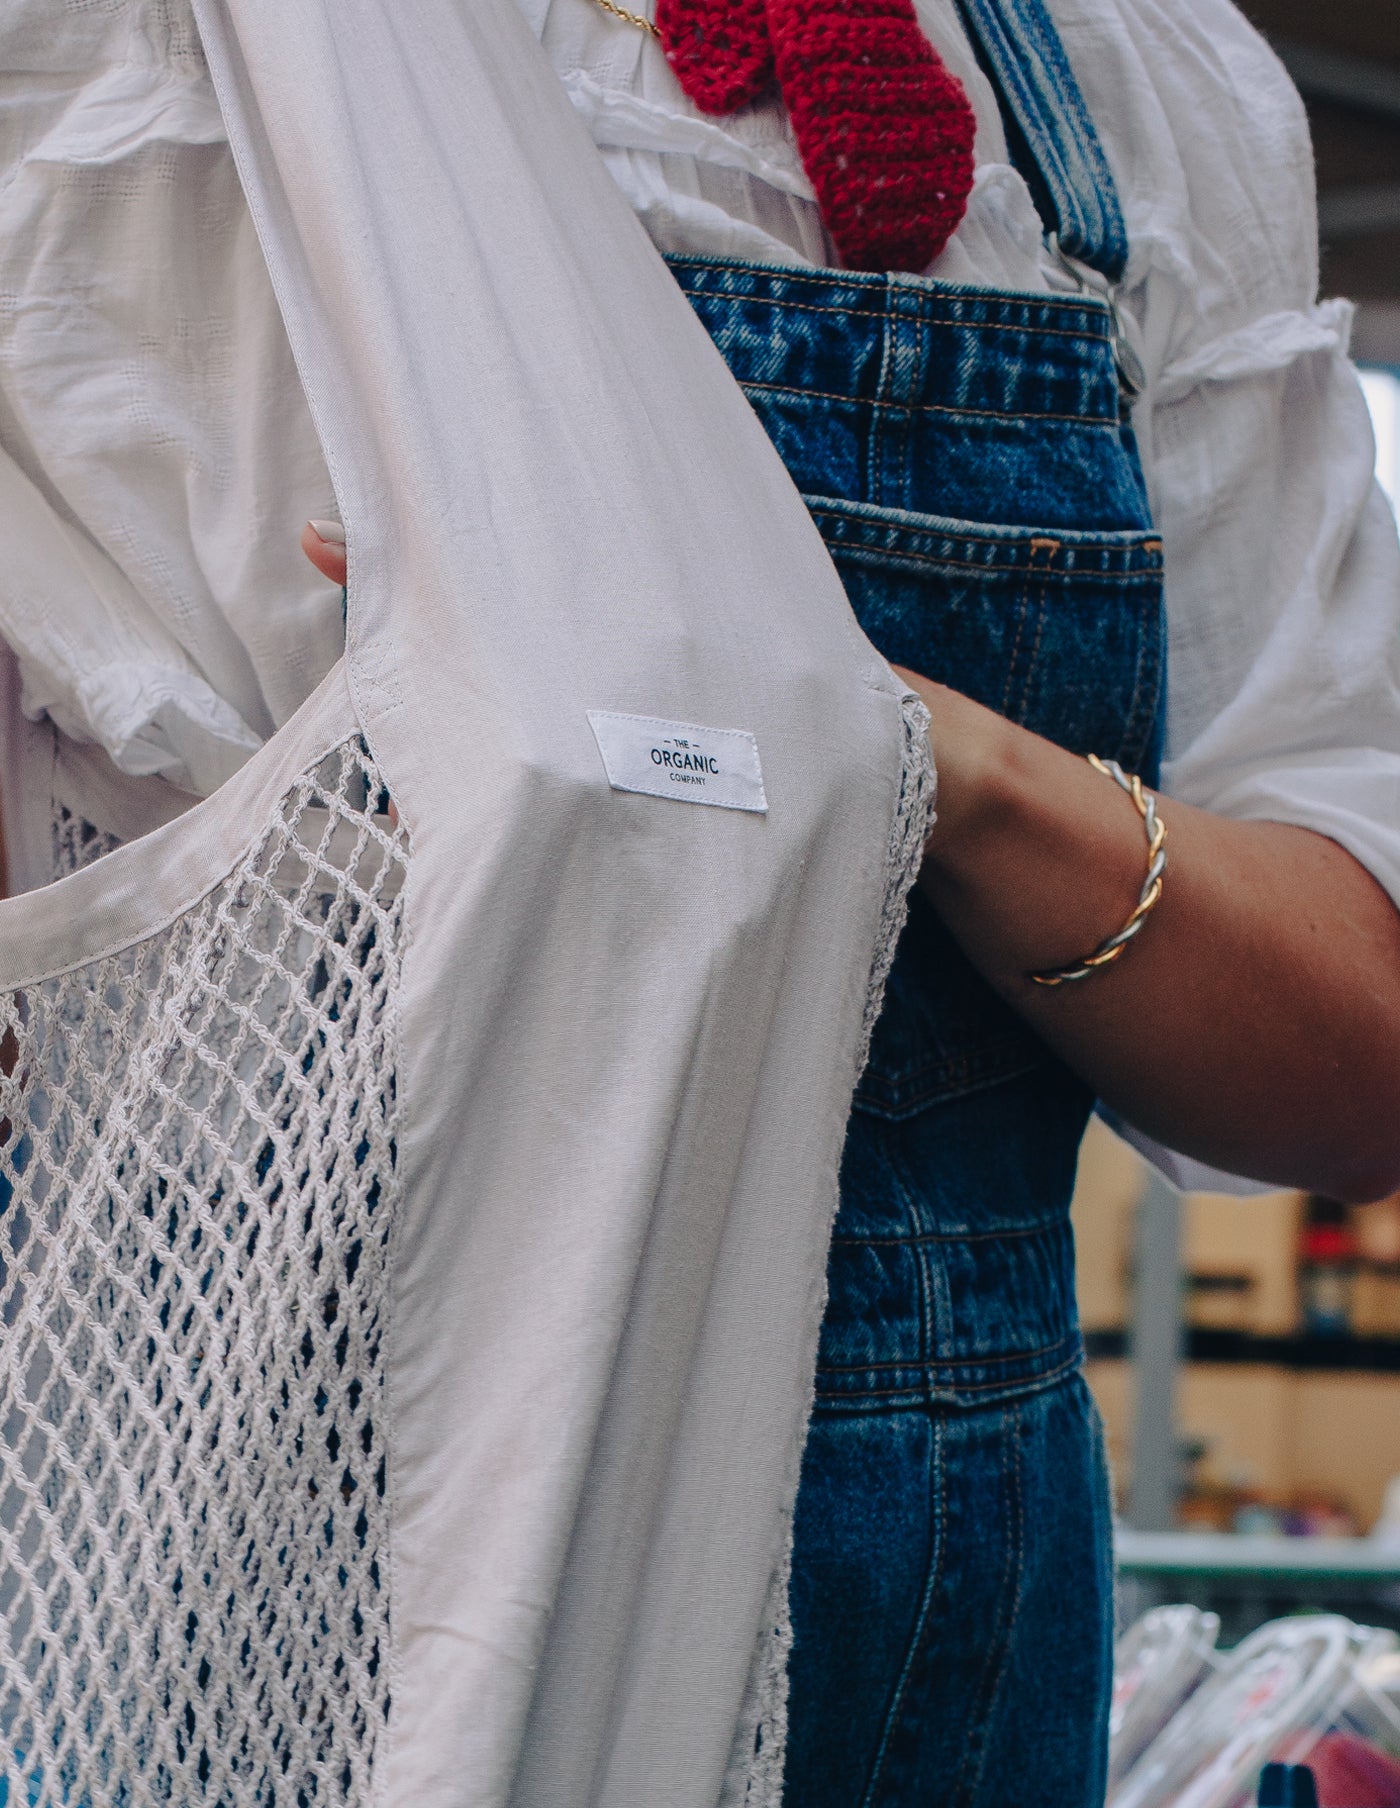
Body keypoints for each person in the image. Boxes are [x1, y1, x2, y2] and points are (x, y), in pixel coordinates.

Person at [3, 0, 1400, 1802]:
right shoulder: (138, 45)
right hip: (211, 1585)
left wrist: (914, 760)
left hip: (909, 1647)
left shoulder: (1132, 78)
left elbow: (1356, 1040)